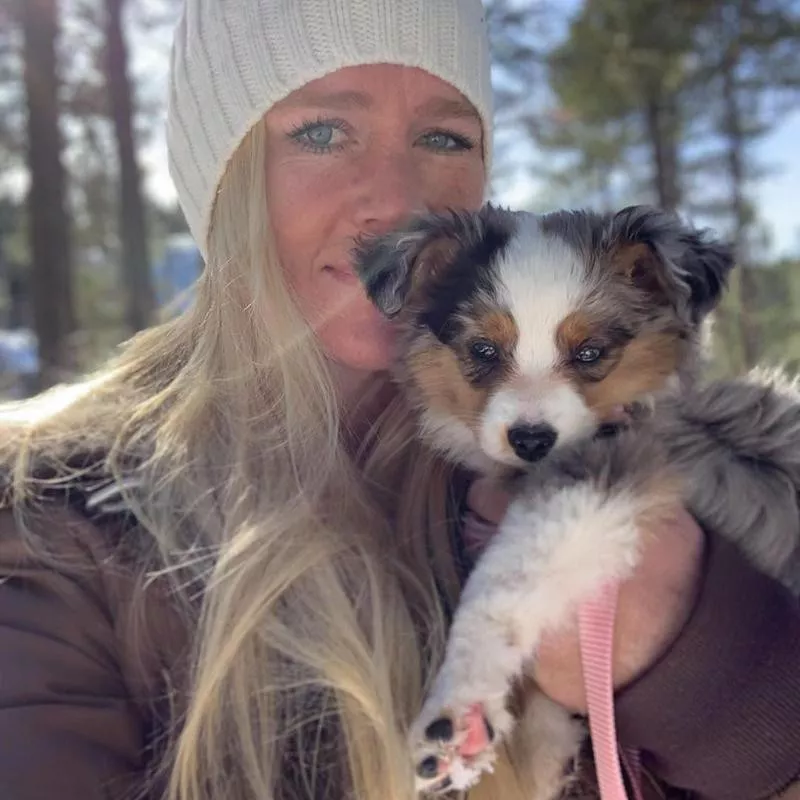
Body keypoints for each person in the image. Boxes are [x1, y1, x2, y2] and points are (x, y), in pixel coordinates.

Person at [0, 1, 798, 799]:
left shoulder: (638, 452)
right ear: (224, 177)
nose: (396, 198)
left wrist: (706, 660)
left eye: (444, 138)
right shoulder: (50, 522)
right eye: (322, 132)